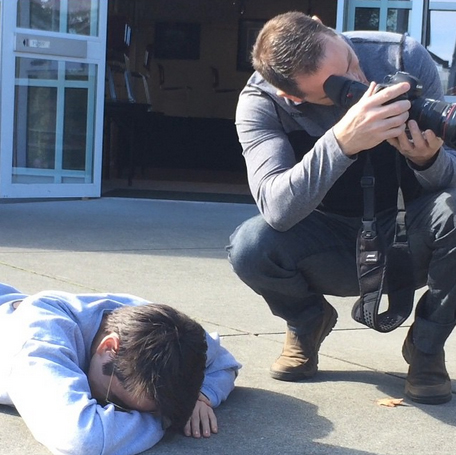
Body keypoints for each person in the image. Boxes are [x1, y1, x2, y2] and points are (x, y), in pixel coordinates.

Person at [228, 11, 456, 405]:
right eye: (335, 88)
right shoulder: (261, 103)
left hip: (406, 232)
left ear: (324, 25)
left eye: (350, 61)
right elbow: (277, 208)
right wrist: (343, 140)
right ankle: (307, 321)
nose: (360, 82)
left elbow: (448, 184)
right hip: (325, 241)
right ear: (293, 96)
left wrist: (427, 161)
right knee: (250, 245)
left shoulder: (403, 57)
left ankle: (427, 346)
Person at [0, 283, 241, 455]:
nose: (114, 413)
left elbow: (223, 364)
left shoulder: (167, 330)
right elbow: (84, 439)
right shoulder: (37, 345)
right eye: (117, 403)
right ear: (109, 347)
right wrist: (169, 418)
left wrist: (201, 394)